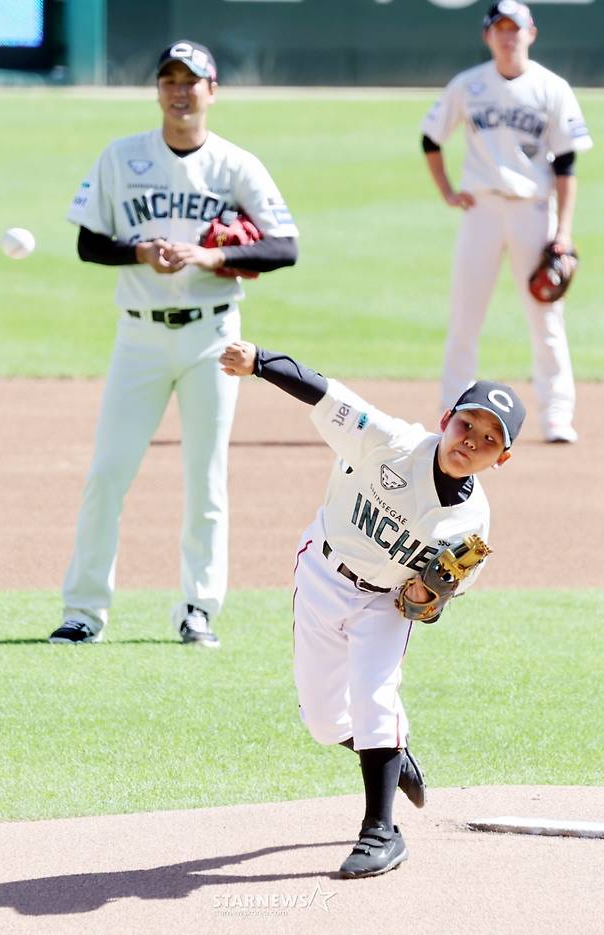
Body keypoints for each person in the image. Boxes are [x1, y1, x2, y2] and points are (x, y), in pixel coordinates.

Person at [219, 339, 525, 878]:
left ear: (501, 459)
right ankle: (390, 753)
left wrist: (424, 599)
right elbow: (323, 392)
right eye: (467, 426)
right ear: (446, 418)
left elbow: (431, 606)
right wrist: (259, 363)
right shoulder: (390, 441)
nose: (471, 441)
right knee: (322, 720)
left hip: (383, 604)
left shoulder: (473, 524)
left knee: (375, 697)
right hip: (322, 571)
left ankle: (380, 831)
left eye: (488, 440)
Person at [48, 40, 298, 648]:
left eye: (192, 81)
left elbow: (284, 246)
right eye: (169, 79)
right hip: (138, 334)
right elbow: (88, 243)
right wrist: (139, 252)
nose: (180, 90)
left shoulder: (236, 165)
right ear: (157, 89)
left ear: (213, 91)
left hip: (214, 336)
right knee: (108, 472)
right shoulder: (121, 157)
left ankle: (197, 609)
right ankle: (84, 611)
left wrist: (211, 254)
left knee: (205, 477)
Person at [421, 1, 592, 444]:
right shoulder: (468, 85)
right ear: (487, 35)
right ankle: (451, 413)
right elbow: (430, 137)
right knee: (465, 316)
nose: (508, 36)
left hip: (533, 210)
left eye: (515, 28)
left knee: (546, 316)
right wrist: (447, 191)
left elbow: (567, 163)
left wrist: (563, 231)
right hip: (480, 210)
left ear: (531, 33)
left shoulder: (552, 88)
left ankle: (557, 417)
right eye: (499, 28)